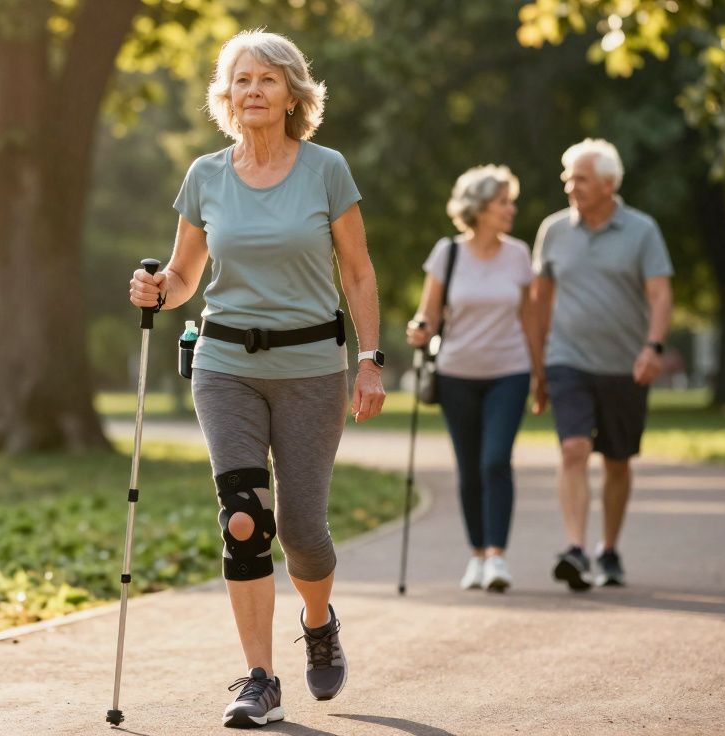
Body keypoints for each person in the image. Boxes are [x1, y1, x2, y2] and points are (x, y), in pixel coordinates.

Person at [128, 30, 384, 730]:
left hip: (311, 368)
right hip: (225, 364)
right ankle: (260, 679)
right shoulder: (205, 176)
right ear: (226, 95)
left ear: (294, 93)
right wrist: (157, 288)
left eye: (268, 79)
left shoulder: (326, 169)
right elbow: (184, 277)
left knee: (303, 529)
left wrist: (370, 359)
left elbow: (358, 271)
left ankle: (318, 617)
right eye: (241, 80)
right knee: (245, 520)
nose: (253, 91)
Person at [530, 139, 674, 591]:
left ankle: (608, 549)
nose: (571, 186)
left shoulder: (642, 230)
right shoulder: (553, 231)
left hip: (626, 365)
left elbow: (660, 294)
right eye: (568, 177)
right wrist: (538, 364)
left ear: (610, 184)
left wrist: (653, 347)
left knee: (616, 460)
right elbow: (540, 299)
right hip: (567, 359)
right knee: (573, 449)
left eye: (582, 179)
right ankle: (575, 548)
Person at [406, 165, 542, 594]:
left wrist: (540, 373)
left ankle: (498, 558)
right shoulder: (447, 253)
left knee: (495, 460)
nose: (511, 209)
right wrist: (420, 328)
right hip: (456, 375)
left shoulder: (519, 255)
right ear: (480, 208)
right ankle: (477, 555)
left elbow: (530, 319)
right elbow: (428, 312)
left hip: (510, 372)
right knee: (469, 469)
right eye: (503, 202)